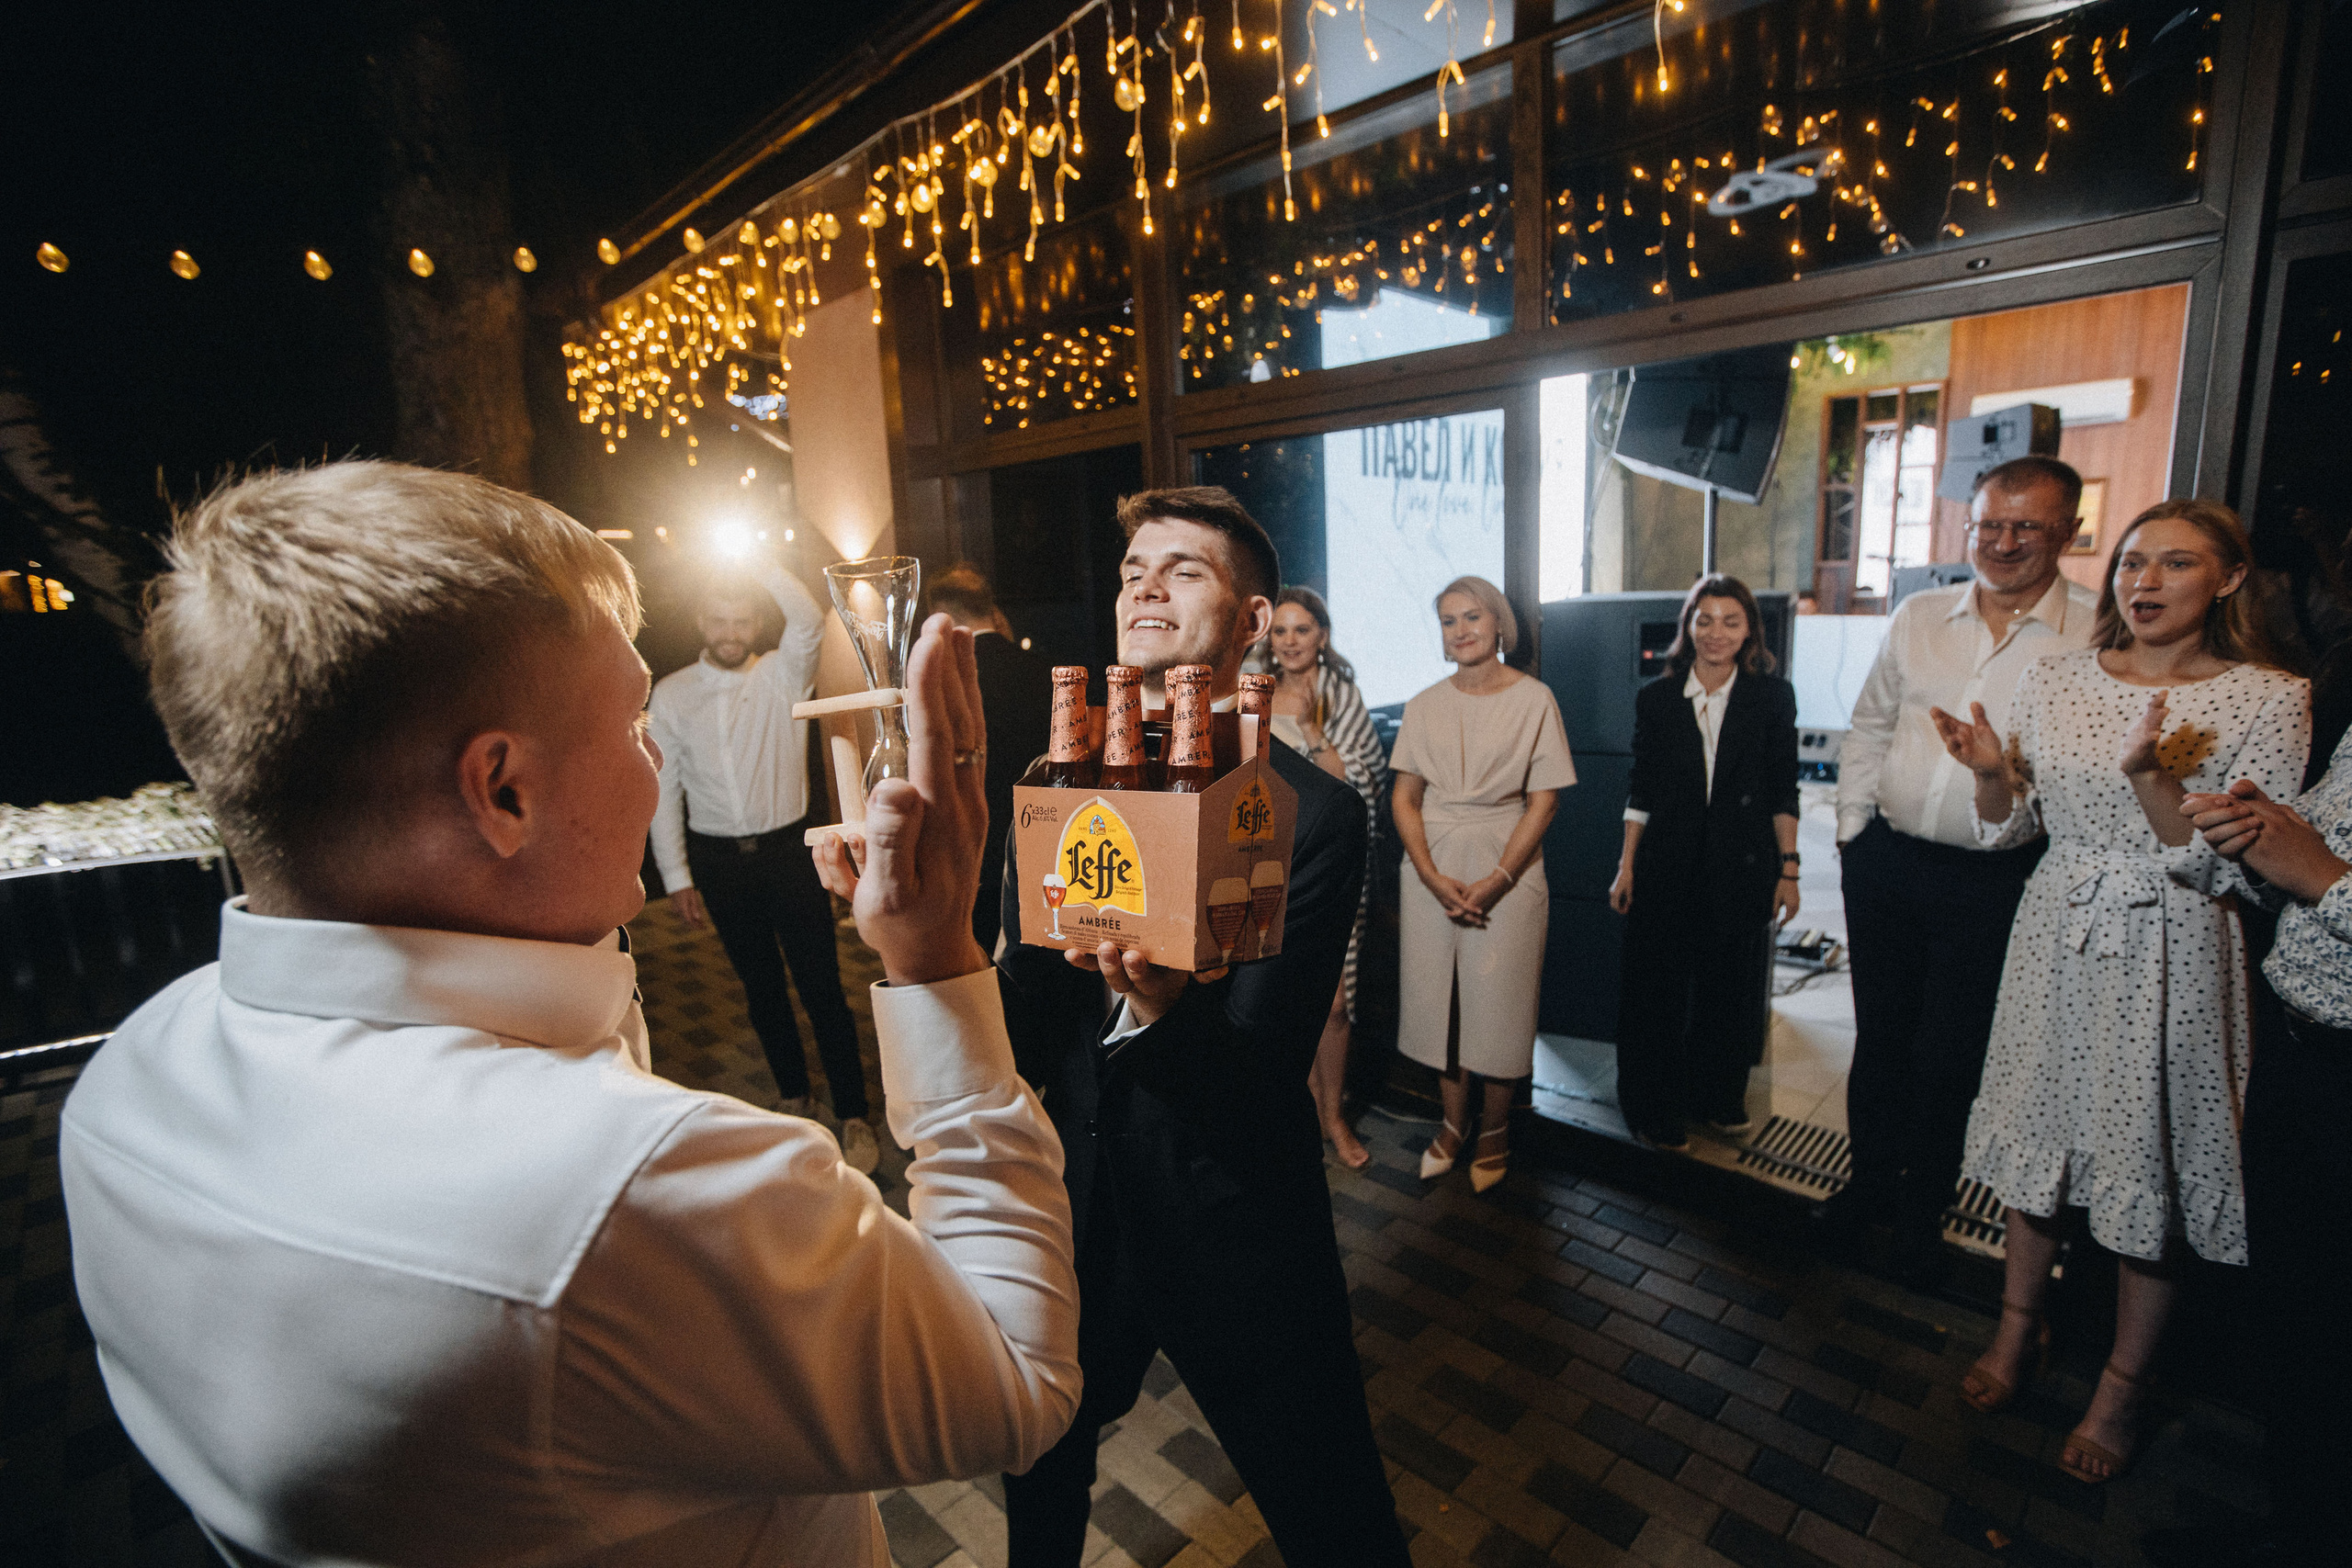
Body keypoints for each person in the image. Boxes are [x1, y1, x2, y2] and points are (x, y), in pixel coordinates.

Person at [59, 461, 1080, 1567]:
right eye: (638, 718)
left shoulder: (126, 1077)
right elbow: (1013, 1381)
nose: (652, 761)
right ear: (504, 791)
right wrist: (934, 960)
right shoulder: (638, 1187)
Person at [965, 485, 1409, 1568]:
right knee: (1042, 1467)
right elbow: (1023, 1012)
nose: (1145, 587)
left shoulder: (1310, 813)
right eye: (1132, 571)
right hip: (1080, 1208)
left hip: (1234, 1216)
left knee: (1334, 1513)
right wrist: (931, 933)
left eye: (1184, 571)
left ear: (1254, 624)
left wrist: (1163, 1006)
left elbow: (1259, 1077)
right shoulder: (1056, 779)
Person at [1931, 499, 2308, 1485]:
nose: (2142, 582)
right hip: (2057, 928)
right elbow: (2012, 829)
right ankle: (2017, 1334)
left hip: (2178, 943)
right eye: (2133, 562)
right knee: (2035, 1140)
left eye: (2174, 564)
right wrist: (1986, 777)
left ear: (2227, 580)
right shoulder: (2056, 677)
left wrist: (2148, 778)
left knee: (2151, 1156)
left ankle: (2123, 1388)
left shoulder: (2270, 698)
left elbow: (2237, 868)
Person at [1819, 456, 2099, 1280]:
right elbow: (1868, 726)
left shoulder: (2095, 631)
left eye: (2028, 527)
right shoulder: (1919, 614)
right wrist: (1852, 832)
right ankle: (1865, 1187)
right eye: (1989, 524)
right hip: (1889, 865)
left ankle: (1920, 1213)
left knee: (1949, 1055)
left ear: (2069, 534)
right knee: (1880, 1043)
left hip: (1996, 883)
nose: (2004, 542)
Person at [2146, 732, 2352, 1566]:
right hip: (2302, 1058)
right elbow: (2298, 868)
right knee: (2303, 1322)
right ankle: (2303, 1528)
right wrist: (2251, 838)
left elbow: (2322, 874)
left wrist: (2328, 881)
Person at [649, 558, 881, 1172]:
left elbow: (806, 614)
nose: (731, 631)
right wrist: (676, 876)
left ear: (754, 622)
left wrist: (754, 559)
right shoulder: (670, 694)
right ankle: (792, 1094)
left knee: (822, 984)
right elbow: (664, 788)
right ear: (702, 620)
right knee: (760, 988)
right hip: (719, 861)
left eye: (742, 619)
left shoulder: (783, 672)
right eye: (720, 619)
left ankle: (853, 1110)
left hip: (788, 853)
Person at [1392, 574, 1573, 1192]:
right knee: (1440, 1004)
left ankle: (1494, 1130)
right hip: (1432, 866)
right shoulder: (1422, 704)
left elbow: (1544, 802)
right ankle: (1451, 1122)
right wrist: (1428, 873)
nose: (1462, 629)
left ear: (1499, 624)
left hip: (1509, 861)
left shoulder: (1535, 699)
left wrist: (1497, 880)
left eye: (1473, 616)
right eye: (1449, 620)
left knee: (1499, 1003)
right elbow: (1405, 798)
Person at [1607, 575, 1800, 1150]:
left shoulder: (1772, 697)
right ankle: (1650, 1107)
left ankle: (1716, 1097)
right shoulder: (1658, 699)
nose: (1717, 633)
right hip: (1667, 863)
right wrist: (1626, 865)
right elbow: (1640, 790)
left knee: (1729, 991)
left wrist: (1788, 869)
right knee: (1655, 992)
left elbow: (1782, 790)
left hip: (1741, 866)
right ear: (1688, 627)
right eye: (1705, 620)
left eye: (1731, 622)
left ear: (1750, 632)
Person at [1266, 584, 1388, 1170]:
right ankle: (1292, 1113)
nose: (1290, 641)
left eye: (1302, 630)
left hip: (1331, 868)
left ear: (1323, 636)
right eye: (1281, 630)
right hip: (1263, 865)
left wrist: (1316, 733)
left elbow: (1361, 784)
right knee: (1275, 997)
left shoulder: (1342, 694)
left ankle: (1332, 1116)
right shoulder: (1252, 692)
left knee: (1335, 1005)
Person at [925, 563, 1050, 953]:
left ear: (939, 617)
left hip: (977, 854)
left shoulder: (945, 682)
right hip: (1043, 845)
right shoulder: (1044, 670)